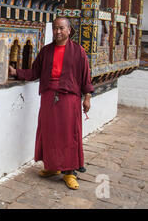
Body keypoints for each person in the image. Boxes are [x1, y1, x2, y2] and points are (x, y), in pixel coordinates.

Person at [9, 17, 93, 190]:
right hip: (48, 96)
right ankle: (53, 167)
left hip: (69, 98)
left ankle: (69, 172)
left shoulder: (78, 52)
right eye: (55, 28)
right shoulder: (46, 51)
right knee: (50, 133)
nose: (58, 32)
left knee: (69, 135)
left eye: (62, 28)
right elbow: (35, 72)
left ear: (69, 30)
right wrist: (16, 72)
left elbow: (86, 76)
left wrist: (87, 97)